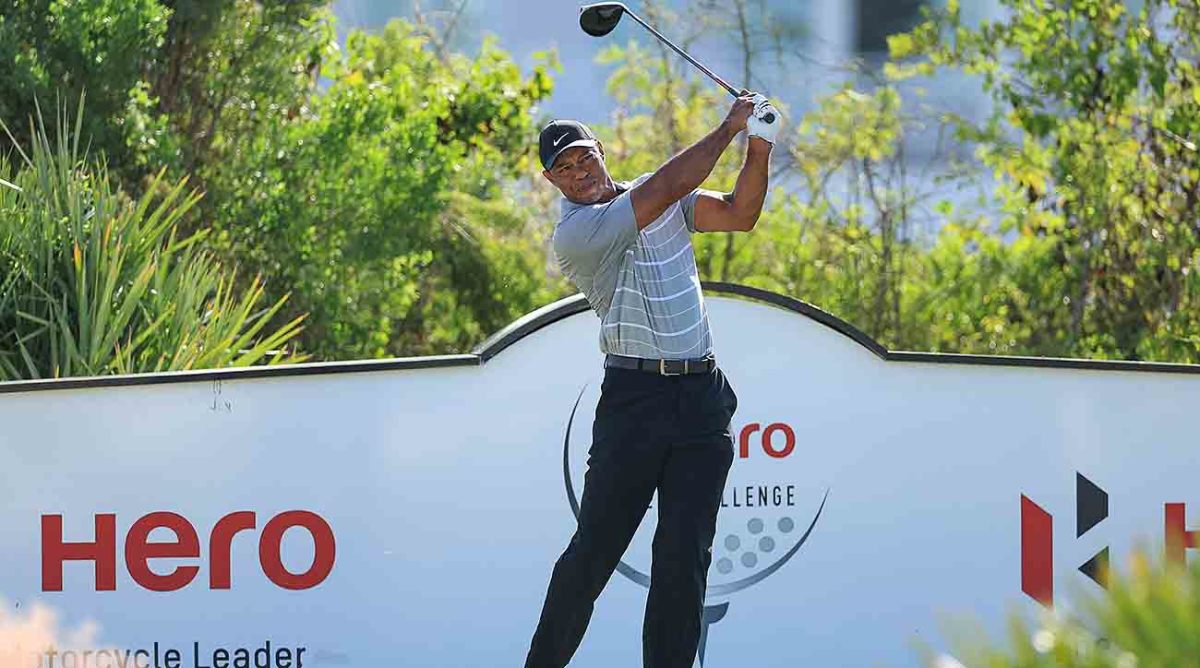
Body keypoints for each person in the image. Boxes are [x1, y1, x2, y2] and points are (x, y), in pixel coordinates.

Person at [525, 91, 781, 668]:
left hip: (700, 399)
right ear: (551, 181)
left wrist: (760, 144)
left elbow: (740, 213)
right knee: (594, 553)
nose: (579, 172)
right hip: (635, 403)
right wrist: (729, 127)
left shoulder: (658, 196)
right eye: (564, 167)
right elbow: (665, 188)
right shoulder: (577, 232)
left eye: (584, 157)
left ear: (600, 150)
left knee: (683, 562)